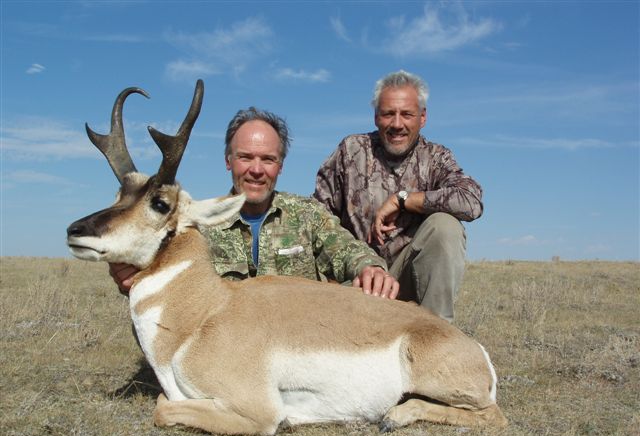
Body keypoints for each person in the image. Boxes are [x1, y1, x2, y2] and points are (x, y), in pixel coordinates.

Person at [110, 107, 400, 300]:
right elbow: (163, 273)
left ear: (280, 166)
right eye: (246, 157)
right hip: (230, 348)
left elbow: (348, 251)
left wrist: (370, 268)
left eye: (268, 159)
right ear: (228, 161)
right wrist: (133, 277)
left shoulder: (308, 215)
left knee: (360, 294)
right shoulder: (198, 224)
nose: (257, 170)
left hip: (300, 338)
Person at [313, 70, 483, 322]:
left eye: (407, 114)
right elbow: (317, 217)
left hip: (408, 281)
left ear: (422, 117)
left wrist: (404, 199)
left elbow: (472, 201)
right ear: (375, 117)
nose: (397, 124)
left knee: (445, 226)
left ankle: (435, 334)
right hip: (360, 284)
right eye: (388, 114)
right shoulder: (351, 151)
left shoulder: (436, 157)